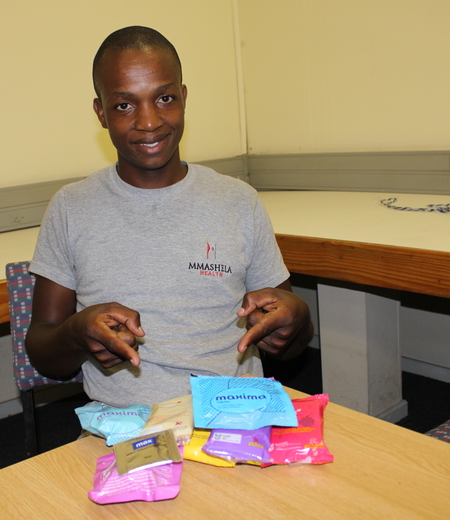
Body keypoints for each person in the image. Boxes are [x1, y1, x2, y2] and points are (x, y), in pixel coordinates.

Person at [25, 26, 313, 408]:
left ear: (184, 98)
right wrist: (76, 334)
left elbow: (288, 339)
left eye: (164, 98)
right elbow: (43, 352)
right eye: (124, 105)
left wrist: (300, 318)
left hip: (232, 416)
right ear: (101, 113)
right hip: (125, 425)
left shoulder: (238, 201)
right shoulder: (70, 208)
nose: (149, 121)